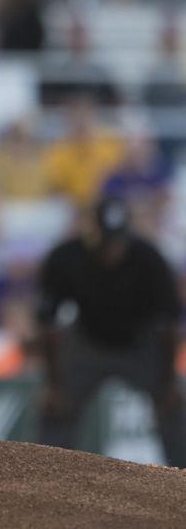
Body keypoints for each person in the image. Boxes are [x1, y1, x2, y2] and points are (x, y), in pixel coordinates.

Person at [36, 196, 186, 468]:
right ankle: (48, 475)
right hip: (87, 340)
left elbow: (169, 325)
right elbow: (47, 323)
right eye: (107, 241)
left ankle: (181, 475)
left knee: (175, 403)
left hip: (141, 342)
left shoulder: (149, 258)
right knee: (56, 405)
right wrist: (53, 382)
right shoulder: (66, 258)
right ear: (91, 236)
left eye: (118, 241)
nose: (113, 249)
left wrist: (168, 382)